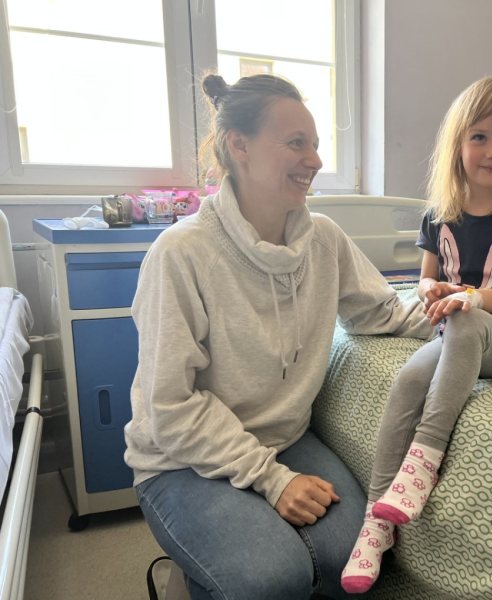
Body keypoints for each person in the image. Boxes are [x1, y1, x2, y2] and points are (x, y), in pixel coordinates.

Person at [124, 72, 434, 600]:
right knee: (271, 579)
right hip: (181, 459)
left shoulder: (323, 240)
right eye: (295, 143)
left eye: (315, 144)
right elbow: (170, 408)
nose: (314, 159)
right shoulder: (181, 254)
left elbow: (381, 311)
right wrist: (272, 480)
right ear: (238, 145)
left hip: (284, 439)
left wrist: (453, 313)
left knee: (355, 563)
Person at [341, 77, 492, 593]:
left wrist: (471, 298)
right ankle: (375, 524)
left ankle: (425, 460)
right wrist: (433, 288)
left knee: (463, 318)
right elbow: (424, 278)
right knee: (406, 382)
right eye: (480, 136)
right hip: (455, 337)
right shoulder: (440, 215)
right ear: (458, 144)